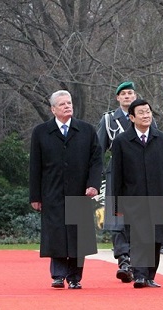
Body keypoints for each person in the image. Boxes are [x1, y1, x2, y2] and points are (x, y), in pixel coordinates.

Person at [29, 89, 103, 289]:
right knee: (56, 234)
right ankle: (58, 275)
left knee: (78, 235)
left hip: (80, 190)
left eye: (69, 103)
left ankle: (75, 277)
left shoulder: (86, 130)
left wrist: (93, 184)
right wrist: (35, 196)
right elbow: (35, 165)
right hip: (52, 191)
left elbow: (96, 161)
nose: (67, 106)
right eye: (62, 104)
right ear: (53, 109)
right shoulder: (41, 132)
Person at [112, 98, 163, 288]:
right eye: (141, 113)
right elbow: (116, 175)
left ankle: (150, 275)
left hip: (158, 196)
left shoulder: (162, 139)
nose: (146, 116)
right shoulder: (122, 141)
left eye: (148, 112)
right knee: (138, 237)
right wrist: (117, 204)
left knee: (155, 238)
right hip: (133, 198)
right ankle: (140, 275)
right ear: (132, 117)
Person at [96, 81, 135, 283]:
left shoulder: (145, 116)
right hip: (117, 171)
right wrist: (94, 176)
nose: (127, 96)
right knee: (118, 218)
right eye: (124, 94)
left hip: (140, 174)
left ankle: (137, 260)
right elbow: (99, 149)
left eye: (130, 93)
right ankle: (123, 259)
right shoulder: (109, 119)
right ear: (118, 98)